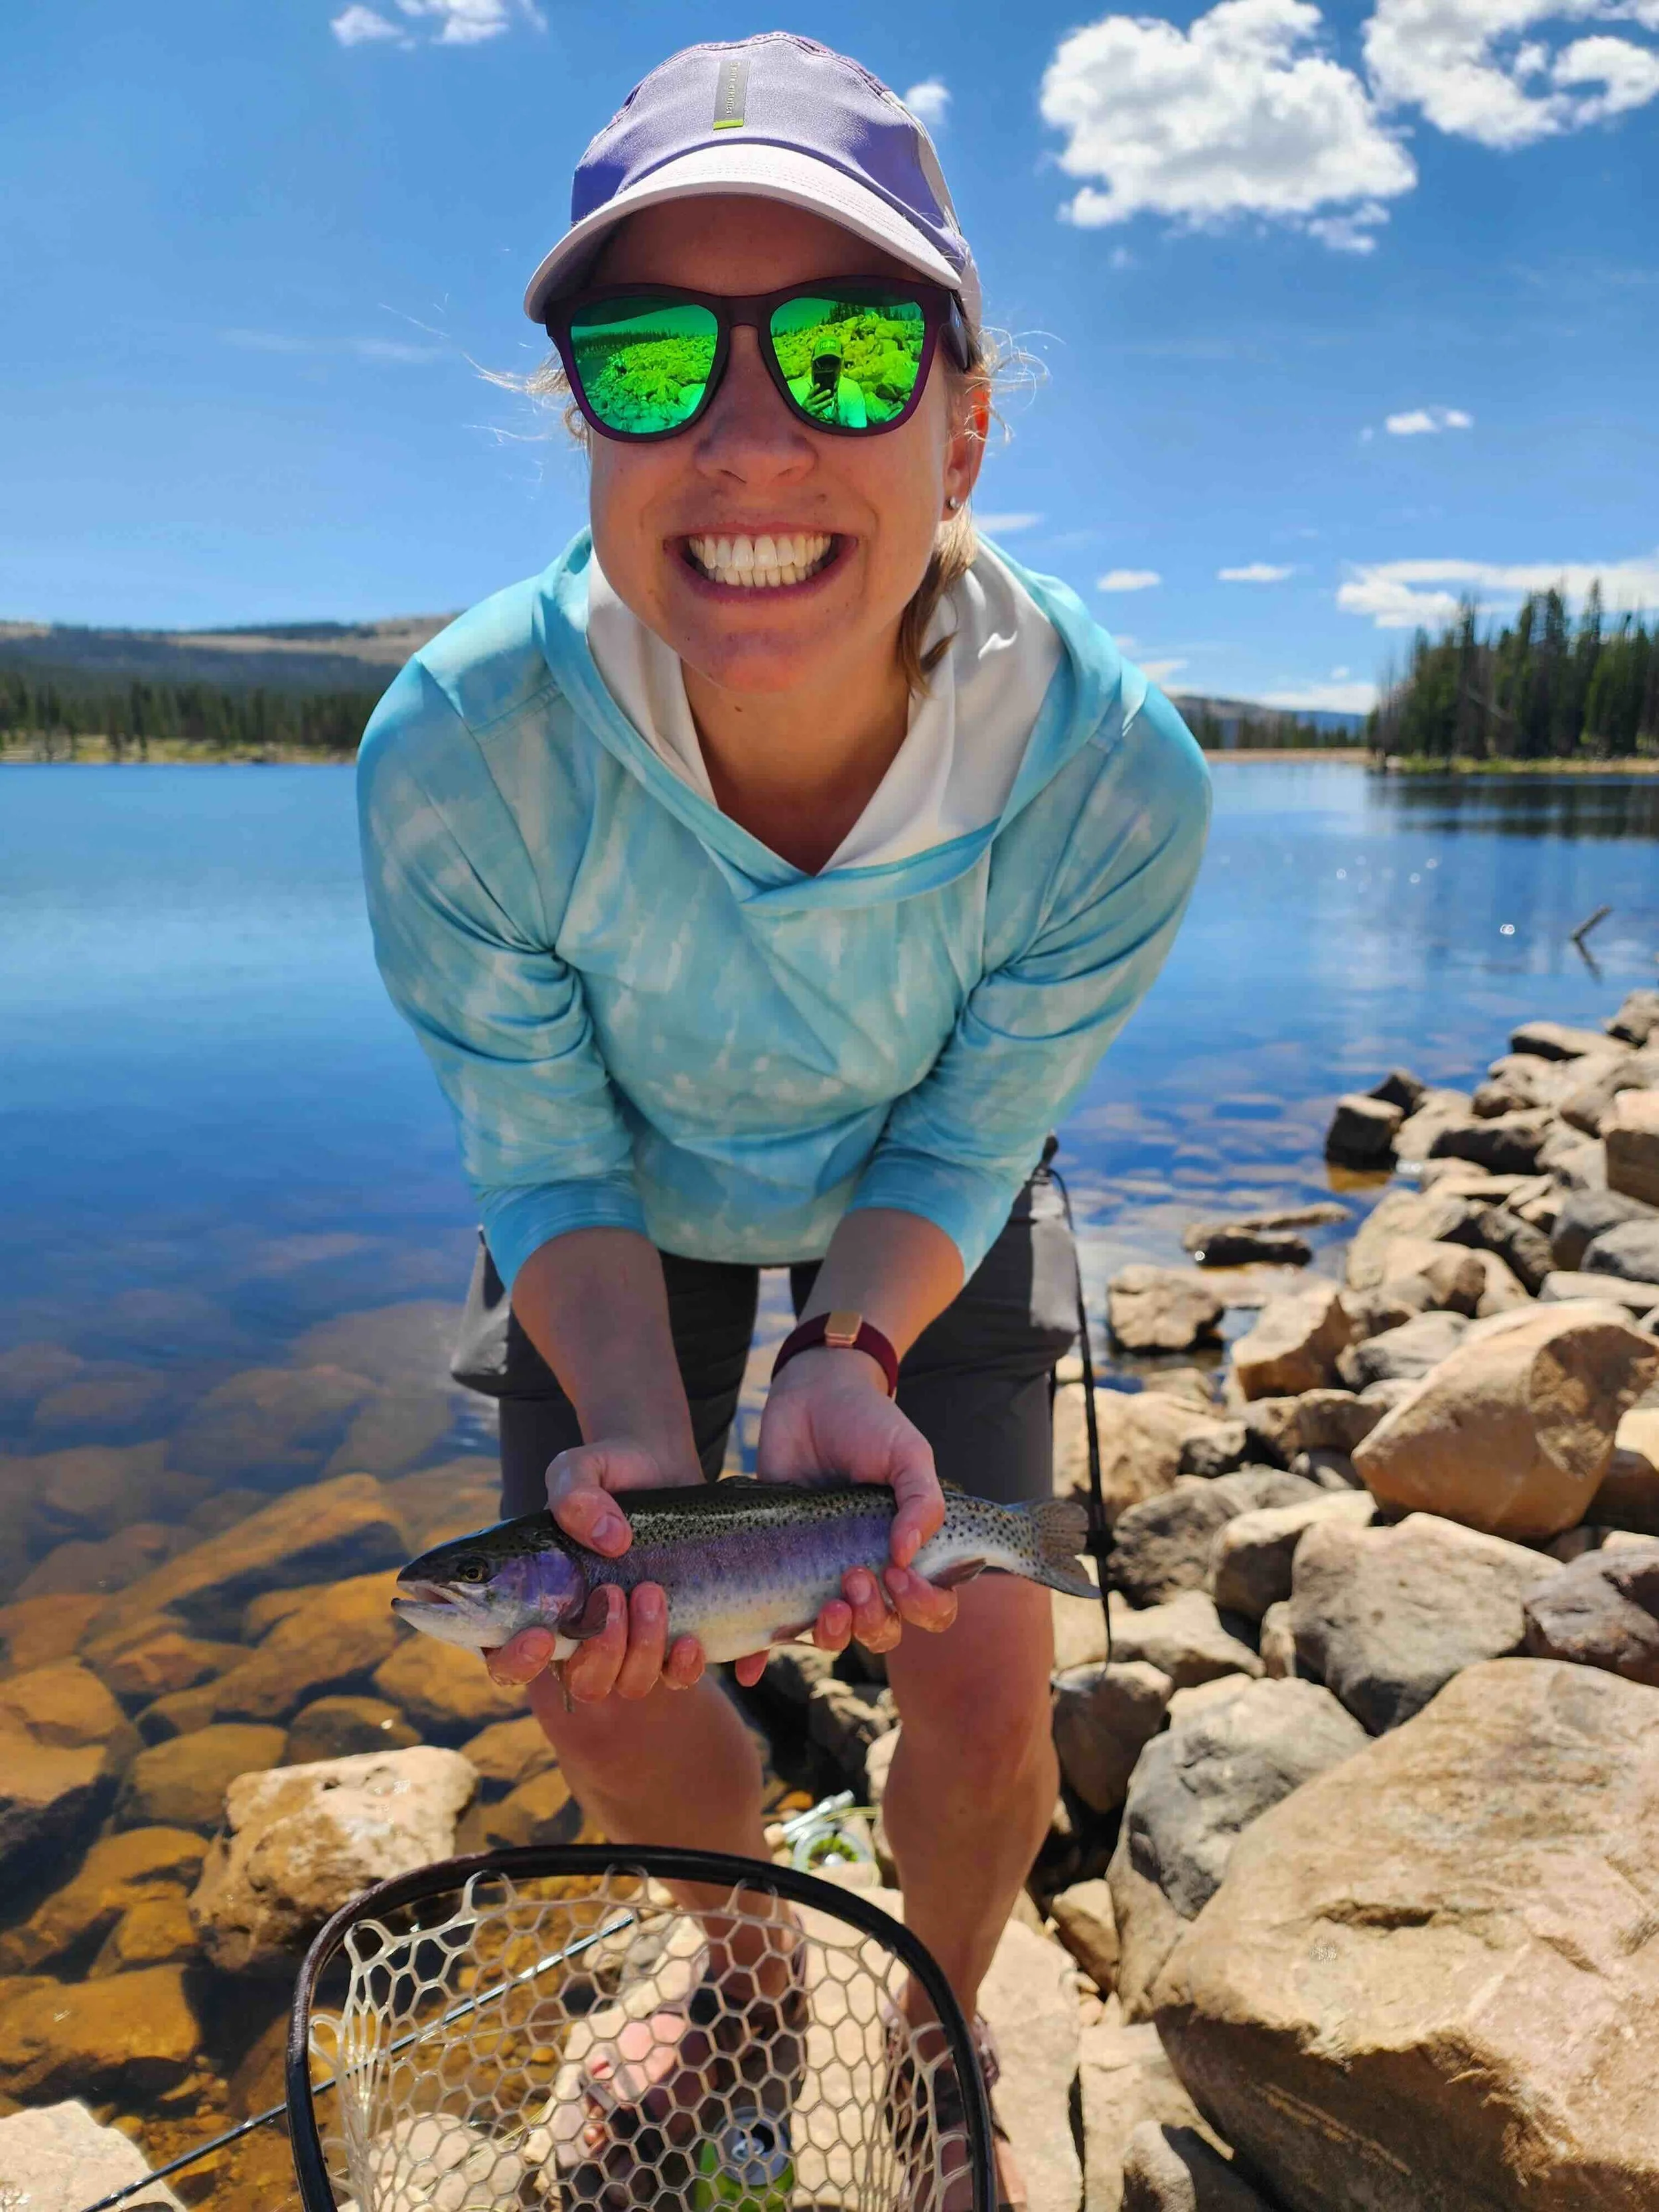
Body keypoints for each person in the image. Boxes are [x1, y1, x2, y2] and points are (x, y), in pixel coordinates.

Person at [358, 32, 1210, 2208]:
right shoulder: (460, 750)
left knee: (994, 1670)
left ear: (968, 419)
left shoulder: (1112, 775)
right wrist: (642, 1437)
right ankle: (743, 1962)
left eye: (842, 350)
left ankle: (933, 2019)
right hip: (615, 1205)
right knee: (598, 1665)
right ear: (583, 425)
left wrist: (844, 1354)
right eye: (651, 366)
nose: (748, 437)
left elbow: (968, 1129)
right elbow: (541, 1153)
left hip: (921, 1200)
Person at [787, 346, 869, 427]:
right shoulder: (793, 390)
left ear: (842, 364)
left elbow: (859, 434)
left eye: (833, 363)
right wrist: (801, 416)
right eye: (821, 363)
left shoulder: (851, 390)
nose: (827, 369)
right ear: (812, 363)